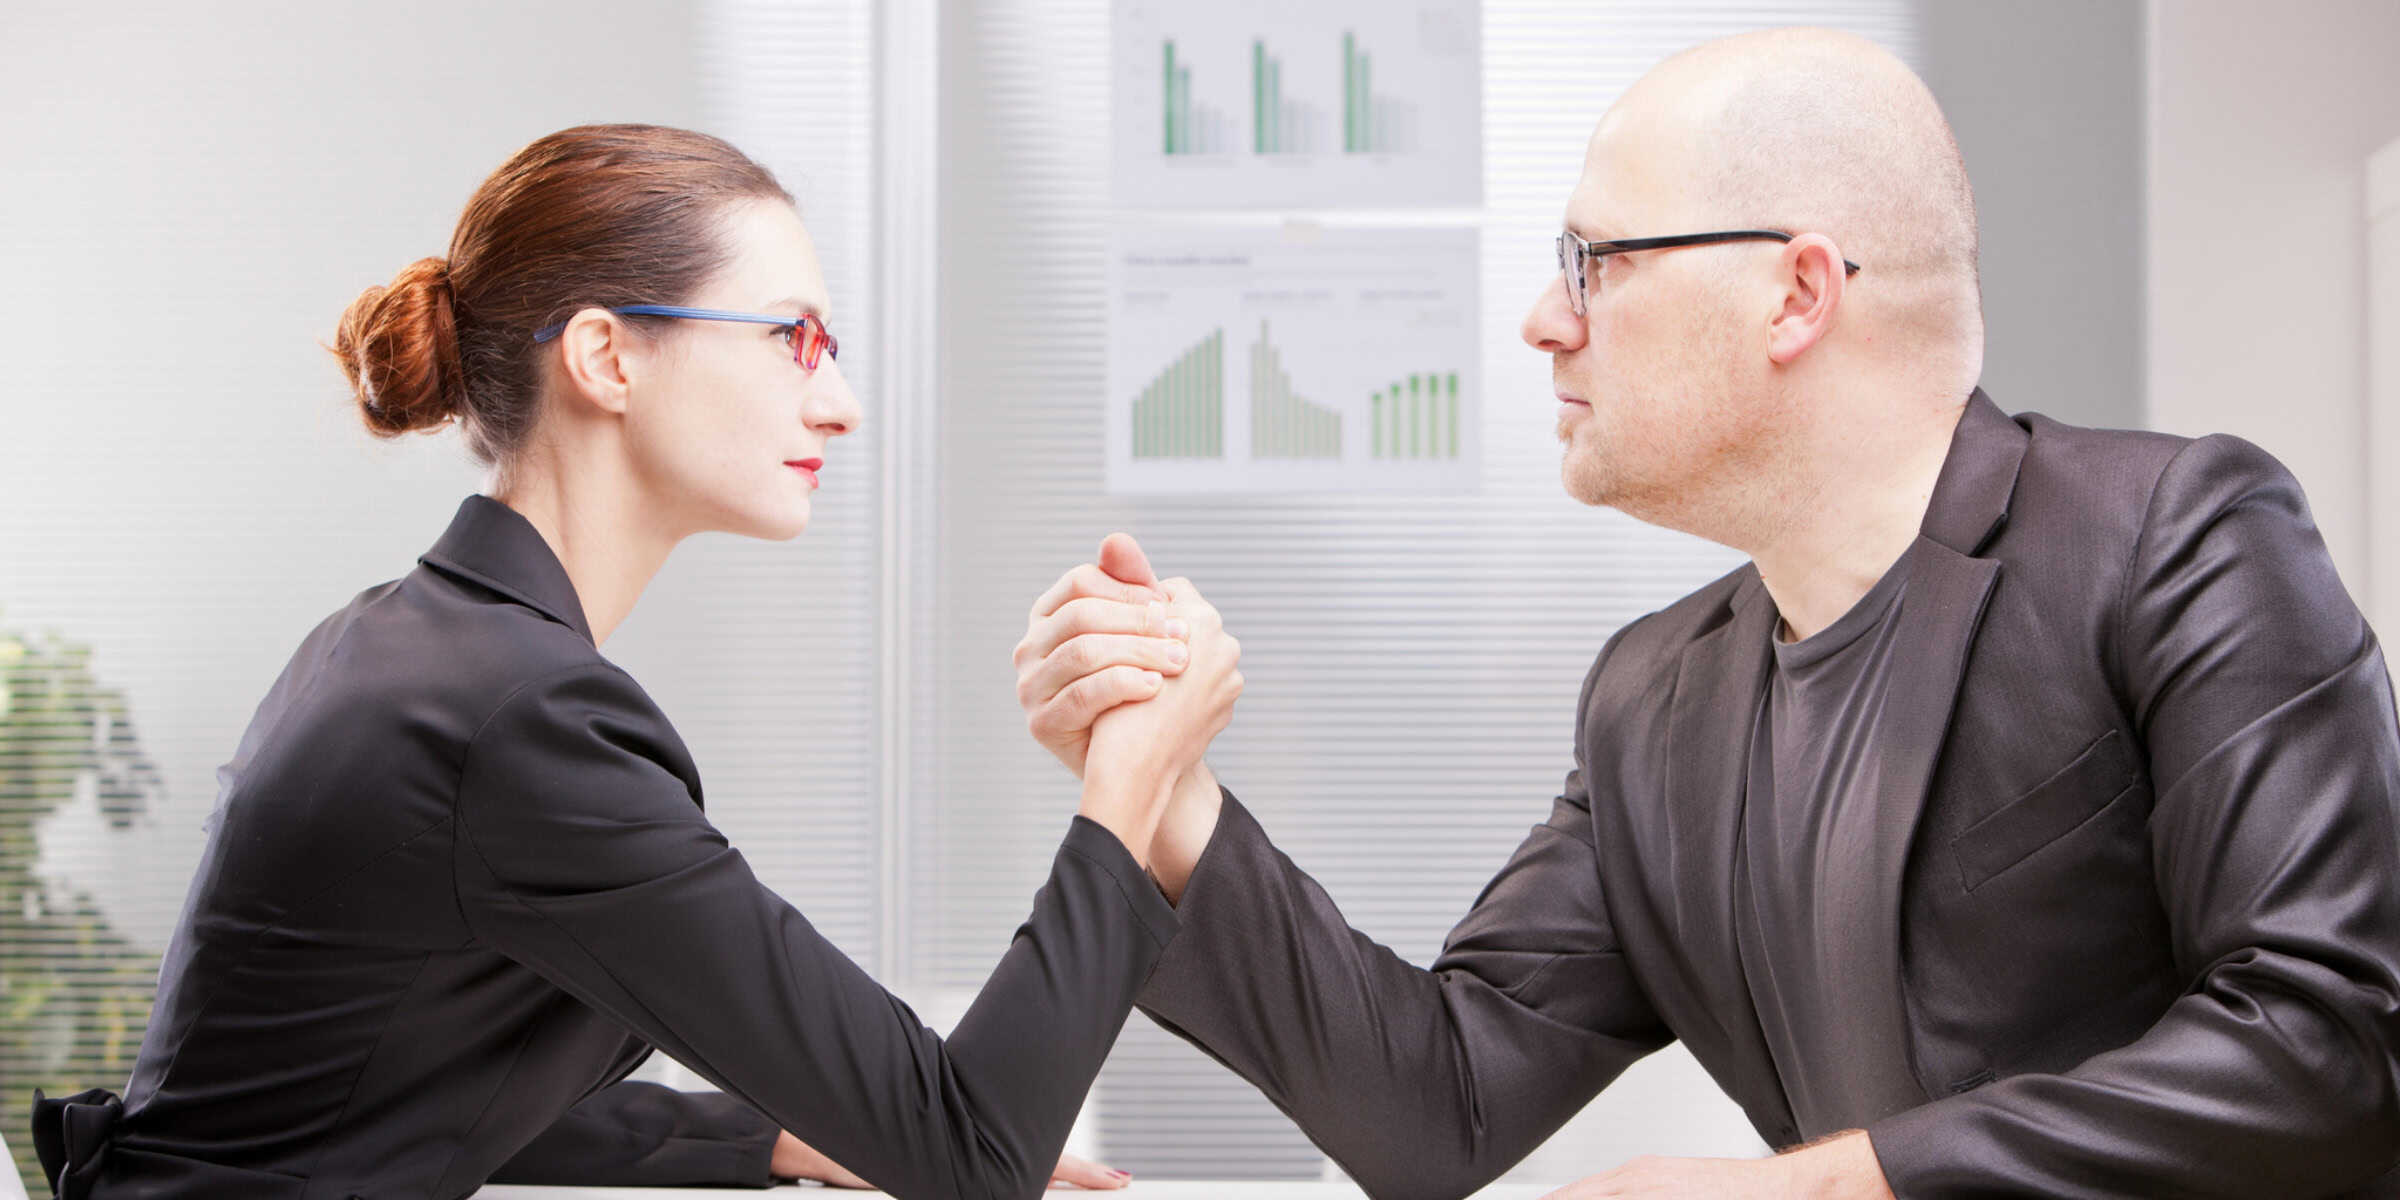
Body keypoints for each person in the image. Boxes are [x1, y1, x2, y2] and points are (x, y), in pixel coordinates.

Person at [1015, 27, 2400, 1200]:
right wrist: (1170, 796)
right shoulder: (1651, 701)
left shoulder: (2176, 539)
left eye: (1594, 261)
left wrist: (1822, 1182)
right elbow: (1435, 1100)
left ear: (1797, 292)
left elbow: (2330, 1044)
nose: (1544, 324)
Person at [30, 124, 1237, 1200]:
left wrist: (774, 1138)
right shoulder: (519, 720)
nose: (843, 404)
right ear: (607, 359)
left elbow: (411, 1097)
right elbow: (970, 1154)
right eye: (793, 339)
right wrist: (1129, 785)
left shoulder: (404, 647)